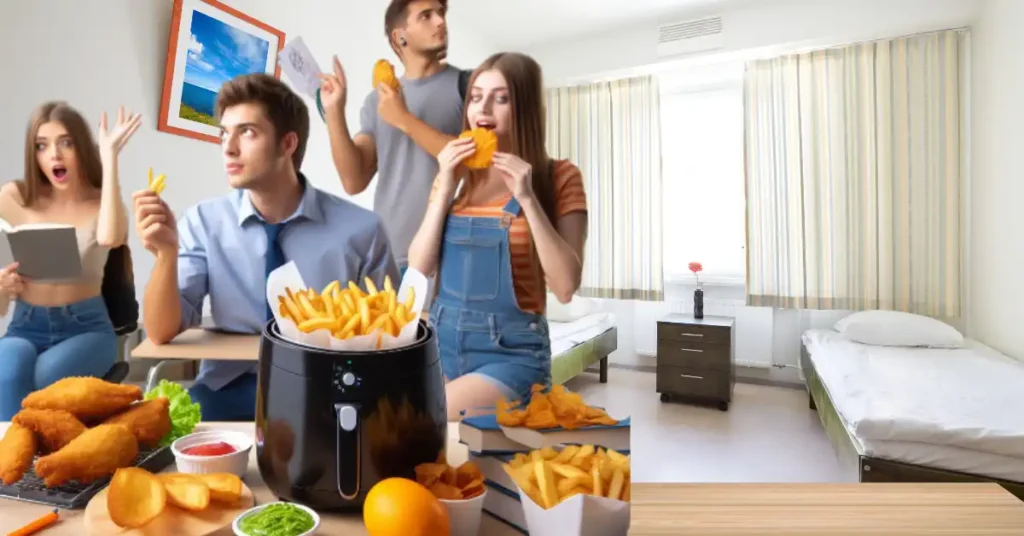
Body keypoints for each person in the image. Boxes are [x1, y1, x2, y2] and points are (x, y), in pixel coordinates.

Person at [135, 74, 399, 422]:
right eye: (224, 133)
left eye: (247, 132)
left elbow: (390, 339)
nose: (229, 148)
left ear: (288, 144)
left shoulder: (362, 230)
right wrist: (166, 255)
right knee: (155, 420)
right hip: (227, 388)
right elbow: (160, 331)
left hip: (328, 392)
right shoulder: (203, 221)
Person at [407, 53, 589, 420]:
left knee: (420, 423)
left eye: (500, 98)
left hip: (510, 356)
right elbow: (418, 267)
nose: (483, 108)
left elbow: (566, 286)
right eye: (476, 96)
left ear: (525, 110)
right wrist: (445, 187)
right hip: (440, 347)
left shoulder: (559, 177)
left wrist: (527, 198)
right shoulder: (454, 179)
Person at [0, 101, 140, 420]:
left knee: (46, 378)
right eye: (42, 145)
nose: (55, 156)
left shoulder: (100, 202)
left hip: (85, 328)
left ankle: (44, 466)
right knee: (7, 370)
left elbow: (111, 237)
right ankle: (10, 469)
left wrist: (110, 156)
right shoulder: (14, 197)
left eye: (66, 142)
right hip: (24, 325)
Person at [320, 0, 467, 275]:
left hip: (448, 253)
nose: (440, 21)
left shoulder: (468, 86)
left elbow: (473, 160)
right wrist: (334, 111)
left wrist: (404, 120)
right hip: (386, 253)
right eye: (426, 16)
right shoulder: (376, 100)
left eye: (441, 13)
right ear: (399, 36)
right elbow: (353, 181)